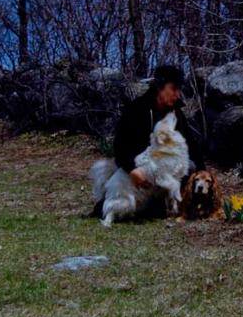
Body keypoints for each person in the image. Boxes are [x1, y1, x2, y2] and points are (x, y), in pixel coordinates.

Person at [88, 64, 205, 219]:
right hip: (137, 171)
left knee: (191, 166)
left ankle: (175, 204)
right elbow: (120, 145)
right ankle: (105, 206)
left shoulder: (177, 113)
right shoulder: (137, 108)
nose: (178, 94)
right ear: (159, 87)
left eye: (179, 89)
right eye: (174, 88)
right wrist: (132, 170)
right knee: (121, 210)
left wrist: (204, 171)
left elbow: (191, 144)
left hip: (161, 175)